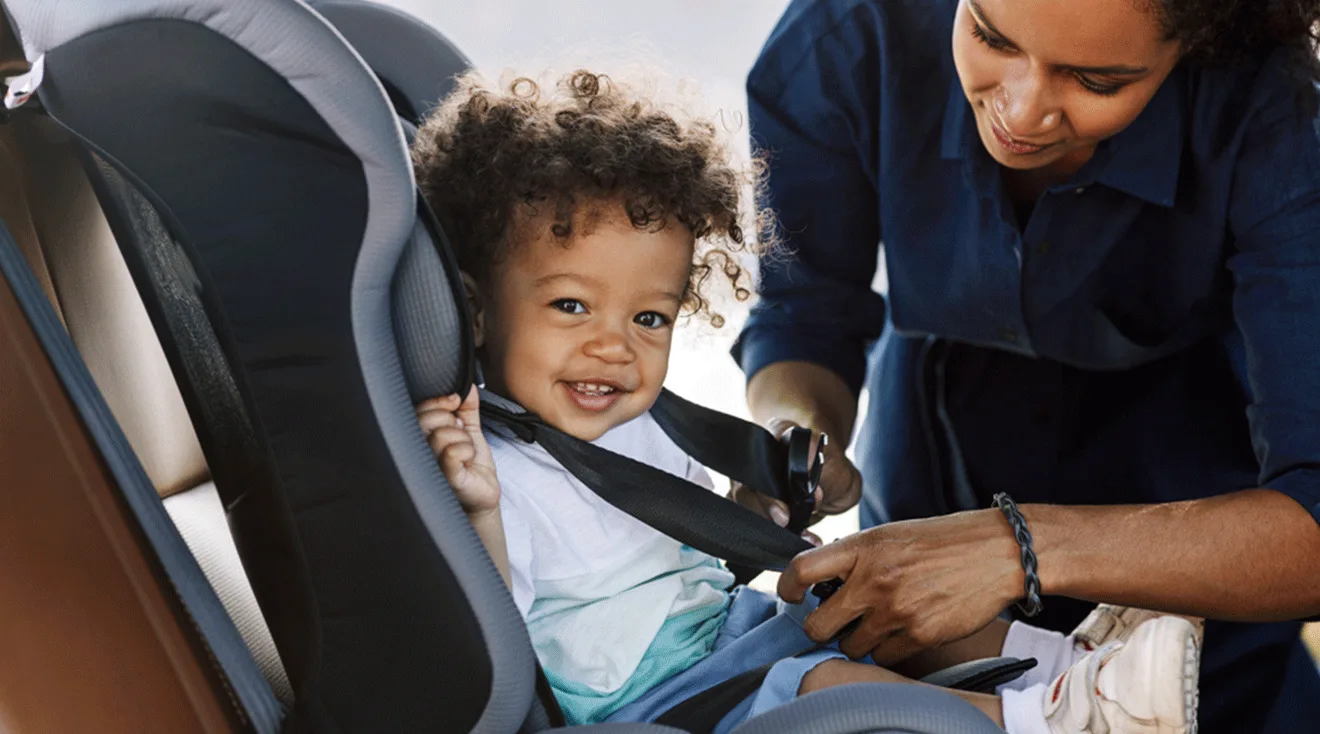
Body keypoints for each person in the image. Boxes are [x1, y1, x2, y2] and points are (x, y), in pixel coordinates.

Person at [411, 68, 1203, 734]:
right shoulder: (489, 466)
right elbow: (490, 645)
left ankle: (1085, 662)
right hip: (657, 699)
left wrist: (761, 508)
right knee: (830, 691)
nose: (614, 346)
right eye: (570, 307)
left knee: (882, 595)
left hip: (724, 634)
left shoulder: (636, 419)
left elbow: (689, 550)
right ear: (478, 310)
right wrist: (476, 509)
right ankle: (1058, 720)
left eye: (648, 317)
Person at [731, 0, 1320, 730]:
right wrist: (796, 436)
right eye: (988, 35)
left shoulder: (1280, 108)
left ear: (1199, 43)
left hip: (1195, 491)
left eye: (1095, 80)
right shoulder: (843, 38)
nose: (1022, 110)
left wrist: (1019, 547)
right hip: (930, 443)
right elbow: (804, 313)